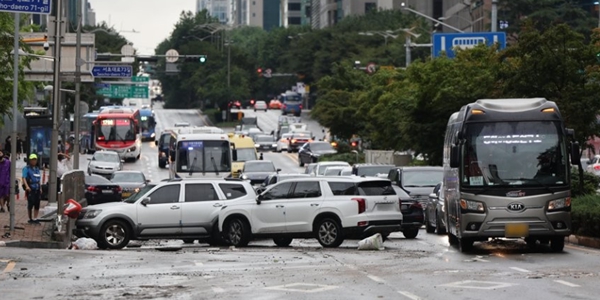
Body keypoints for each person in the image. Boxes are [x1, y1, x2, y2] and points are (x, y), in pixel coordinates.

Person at [22, 154, 42, 224]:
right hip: (31, 188)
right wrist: (27, 186)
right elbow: (24, 178)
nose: (34, 161)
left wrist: (40, 188)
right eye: (32, 160)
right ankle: (30, 218)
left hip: (37, 188)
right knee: (30, 203)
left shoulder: (37, 169)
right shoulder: (26, 168)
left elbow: (38, 179)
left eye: (35, 159)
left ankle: (35, 218)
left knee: (37, 203)